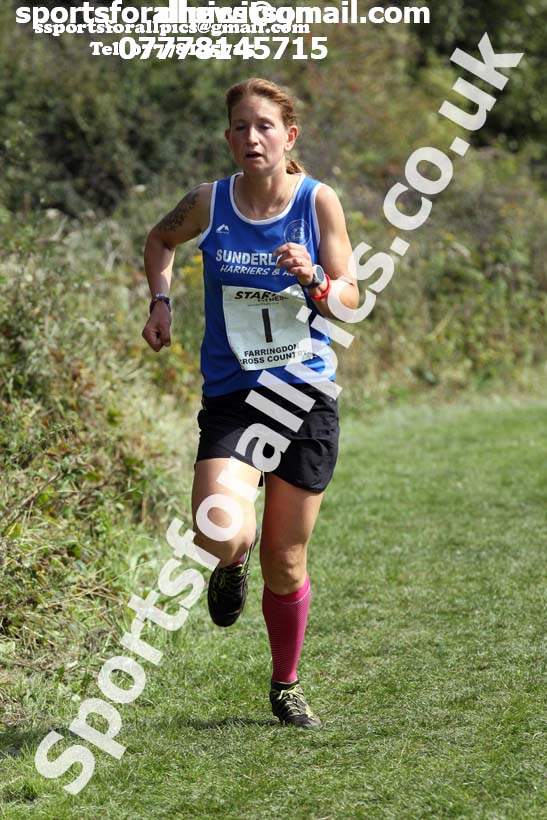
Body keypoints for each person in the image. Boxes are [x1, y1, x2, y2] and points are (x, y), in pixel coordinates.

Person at [142, 78, 358, 729]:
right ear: (228, 137)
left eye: (264, 126)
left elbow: (352, 299)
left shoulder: (319, 203)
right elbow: (158, 241)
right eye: (239, 127)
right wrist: (160, 301)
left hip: (302, 402)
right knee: (219, 529)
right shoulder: (209, 203)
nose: (251, 138)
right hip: (234, 400)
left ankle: (285, 684)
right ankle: (228, 564)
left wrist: (316, 279)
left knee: (286, 563)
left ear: (288, 136)